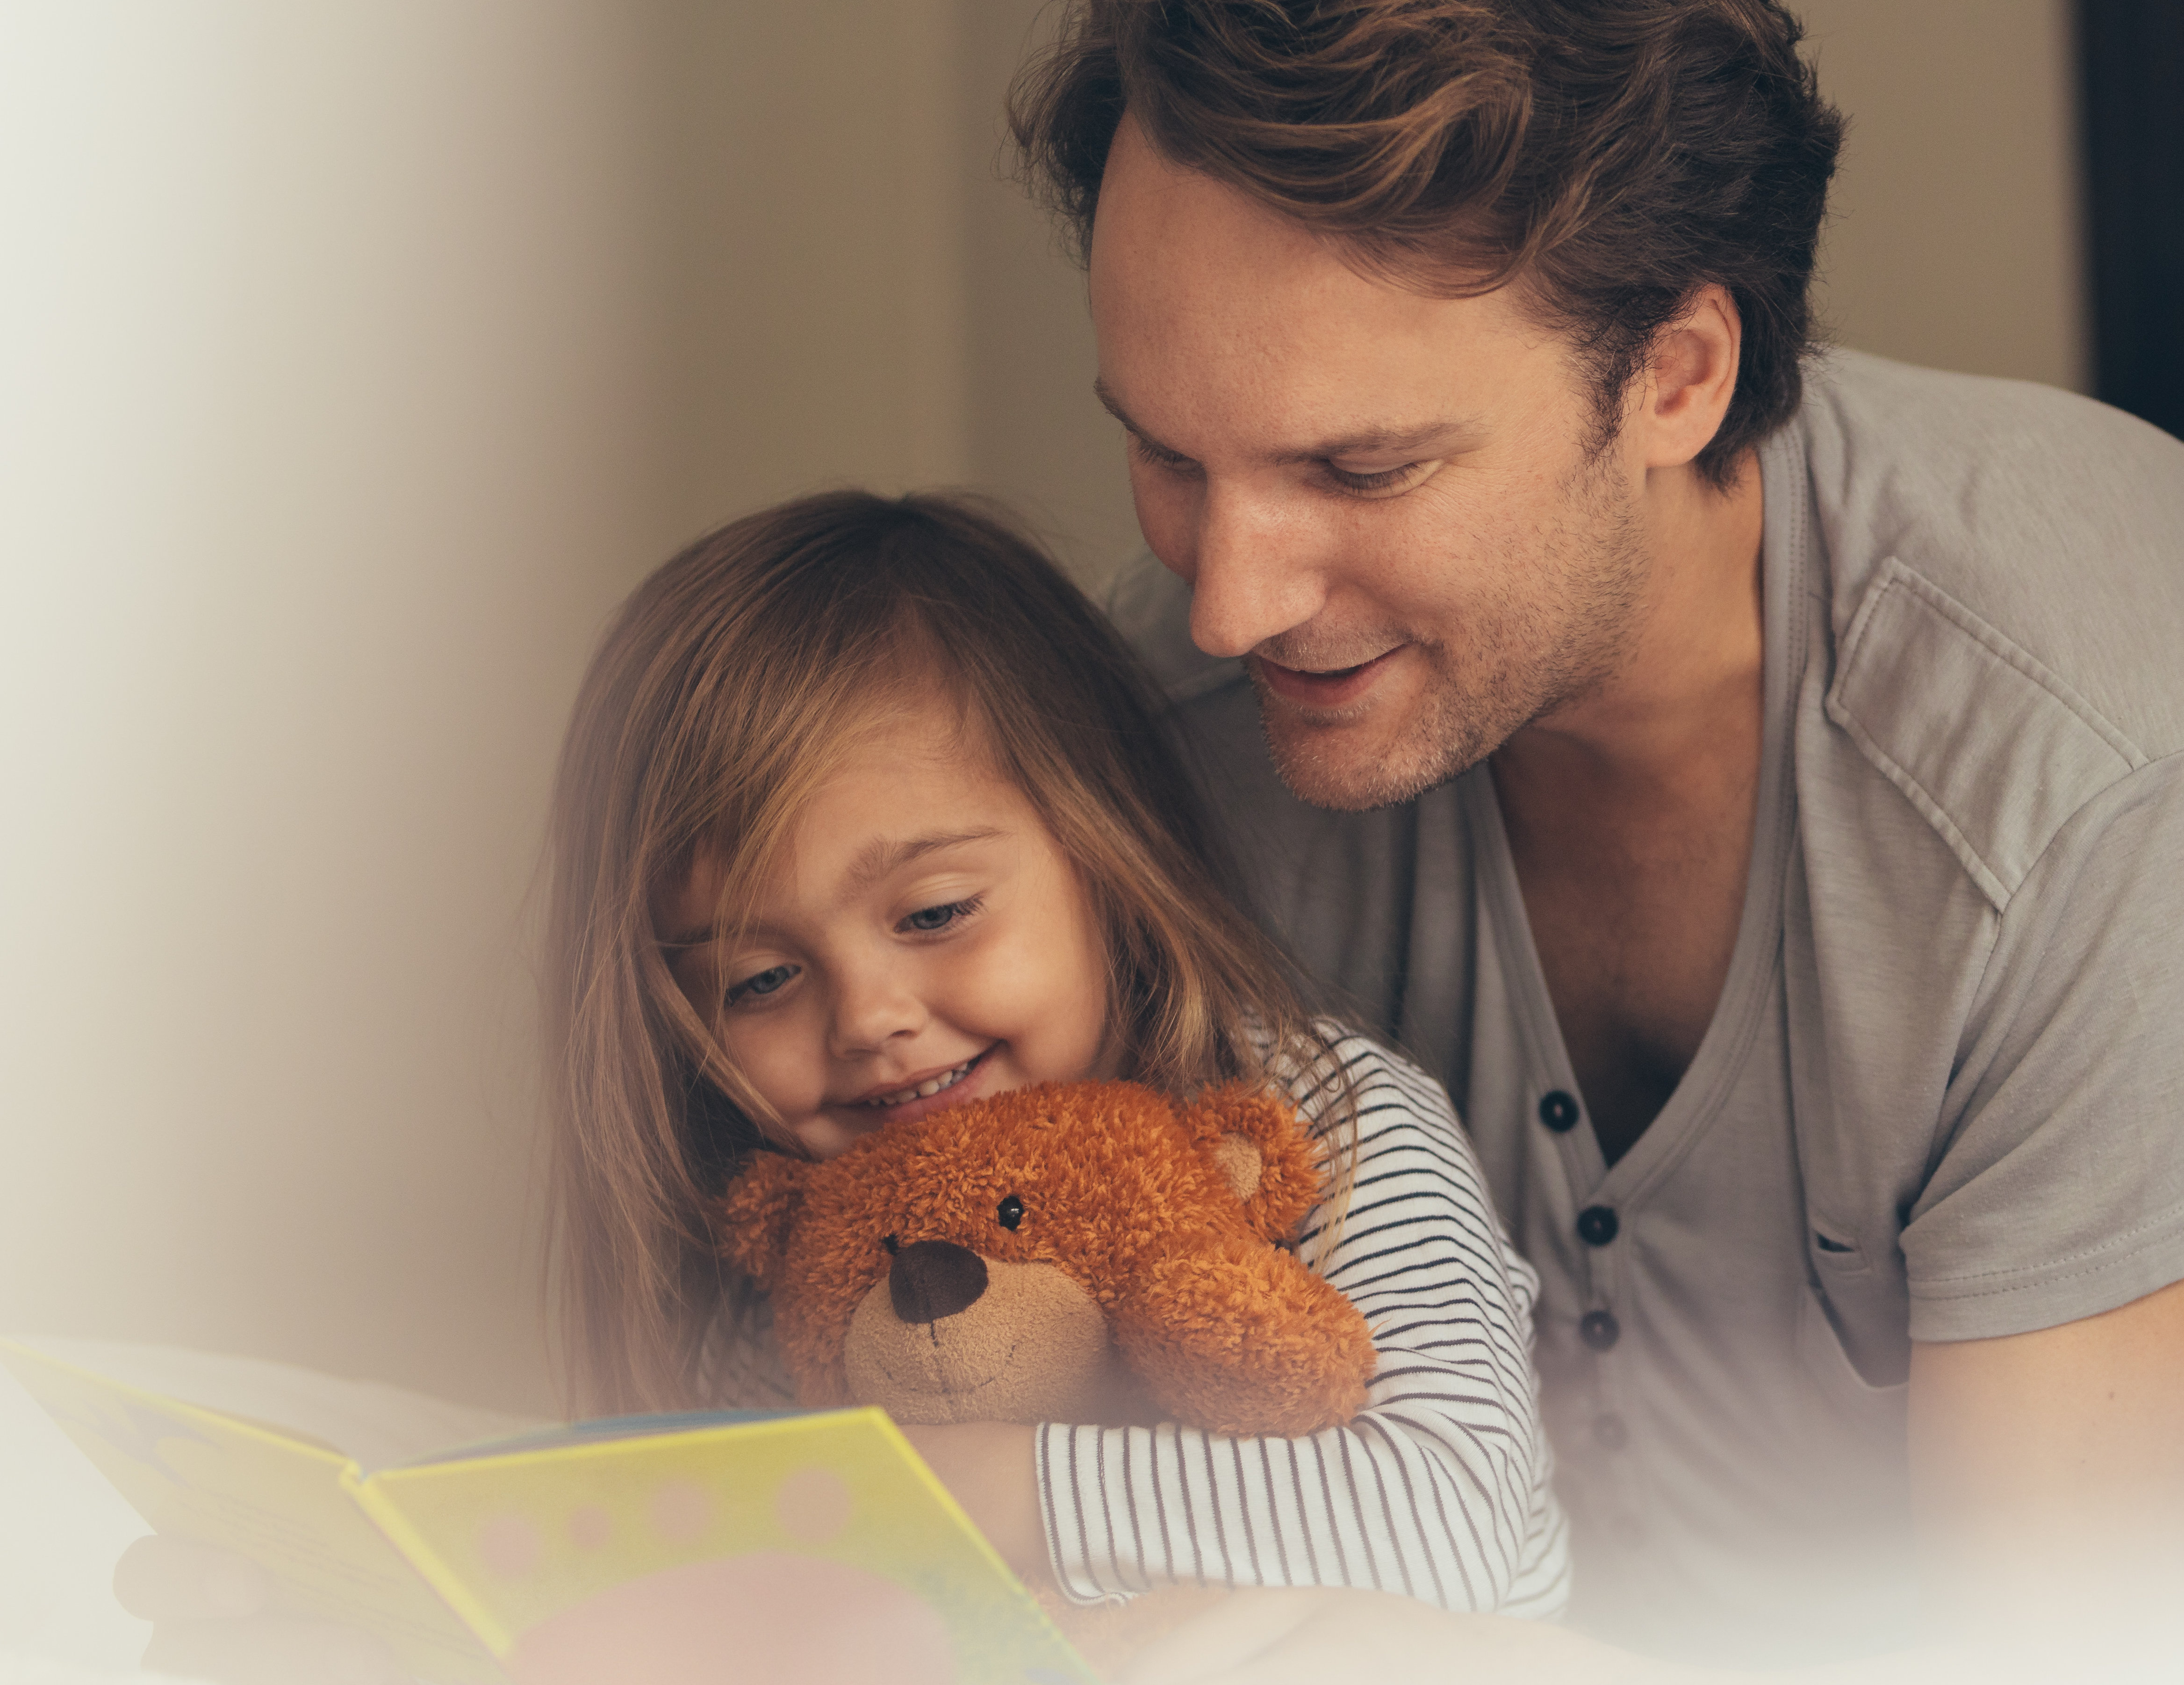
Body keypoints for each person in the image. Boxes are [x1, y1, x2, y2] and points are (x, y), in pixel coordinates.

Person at [1013, 0, 2184, 1677]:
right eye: (1165, 452)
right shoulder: (1173, 730)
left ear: (1678, 376)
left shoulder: (2095, 748)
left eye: (1357, 468)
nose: (1230, 599)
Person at [115, 493, 1572, 1681]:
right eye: (757, 980)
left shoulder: (1319, 1123)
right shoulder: (799, 1250)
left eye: (935, 913)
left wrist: (942, 1493)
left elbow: (1440, 1532)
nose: (871, 1019)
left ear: (1103, 855)